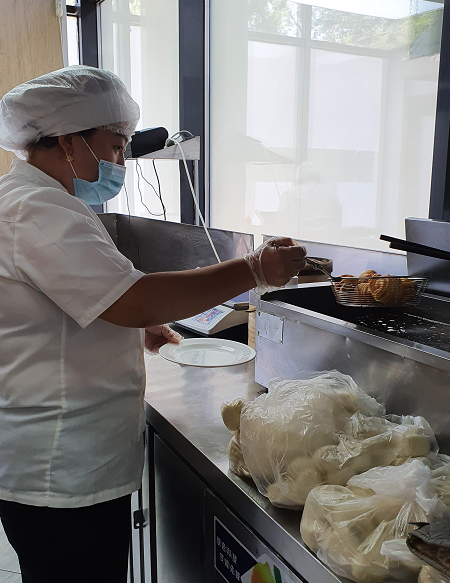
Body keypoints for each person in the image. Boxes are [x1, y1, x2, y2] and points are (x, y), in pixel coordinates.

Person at [0, 65, 305, 583]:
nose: (120, 162)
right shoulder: (38, 209)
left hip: (61, 460)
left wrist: (126, 324)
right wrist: (252, 269)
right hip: (61, 469)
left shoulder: (36, 199)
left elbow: (74, 300)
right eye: (115, 146)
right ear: (69, 140)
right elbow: (134, 297)